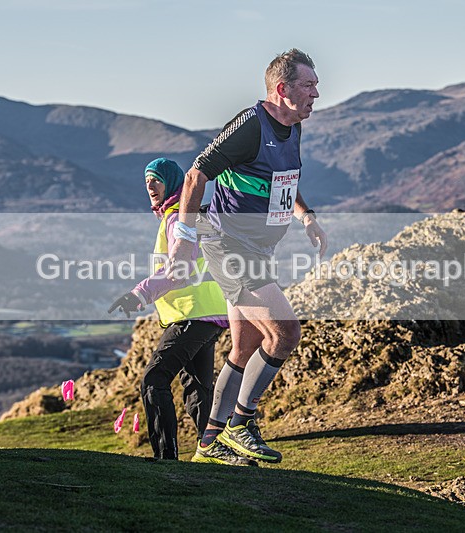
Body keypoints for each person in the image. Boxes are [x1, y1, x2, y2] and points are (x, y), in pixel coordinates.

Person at [166, 49, 327, 465]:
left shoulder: (292, 127)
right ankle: (241, 423)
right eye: (308, 85)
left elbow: (282, 184)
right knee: (285, 333)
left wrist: (306, 216)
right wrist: (183, 236)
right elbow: (196, 173)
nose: (316, 93)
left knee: (245, 346)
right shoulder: (251, 125)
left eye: (314, 85)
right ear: (282, 89)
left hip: (259, 250)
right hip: (228, 245)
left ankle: (209, 443)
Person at [108, 158, 250, 465]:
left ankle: (165, 457)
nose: (149, 186)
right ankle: (215, 451)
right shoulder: (190, 217)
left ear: (172, 184)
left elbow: (178, 271)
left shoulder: (176, 219)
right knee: (198, 389)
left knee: (153, 380)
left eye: (156, 180)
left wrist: (137, 295)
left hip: (192, 314)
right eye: (146, 181)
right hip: (209, 314)